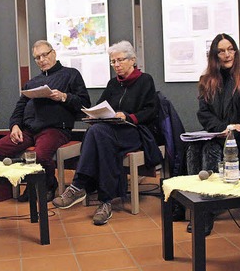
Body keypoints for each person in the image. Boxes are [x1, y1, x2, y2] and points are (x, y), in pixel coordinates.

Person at [52, 40, 161, 226]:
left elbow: (151, 111)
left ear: (132, 60)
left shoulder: (145, 80)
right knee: (100, 136)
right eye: (113, 62)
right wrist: (94, 114)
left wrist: (127, 116)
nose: (116, 65)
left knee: (97, 134)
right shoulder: (112, 84)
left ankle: (79, 186)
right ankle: (105, 201)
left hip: (135, 131)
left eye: (120, 60)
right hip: (110, 132)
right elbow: (102, 106)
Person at [183, 33, 240, 234]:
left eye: (230, 49)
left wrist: (235, 129)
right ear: (214, 55)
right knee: (193, 148)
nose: (227, 54)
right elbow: (204, 113)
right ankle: (197, 204)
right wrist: (222, 129)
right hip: (219, 134)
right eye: (221, 51)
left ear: (235, 51)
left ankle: (206, 212)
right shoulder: (207, 80)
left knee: (211, 149)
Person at [0, 40, 90, 202]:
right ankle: (6, 193)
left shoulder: (71, 74)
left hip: (55, 129)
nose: (41, 60)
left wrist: (64, 97)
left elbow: (84, 104)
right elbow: (19, 108)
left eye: (44, 55)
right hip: (28, 130)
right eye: (37, 57)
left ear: (53, 53)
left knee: (40, 155)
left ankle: (48, 185)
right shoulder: (32, 82)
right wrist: (14, 126)